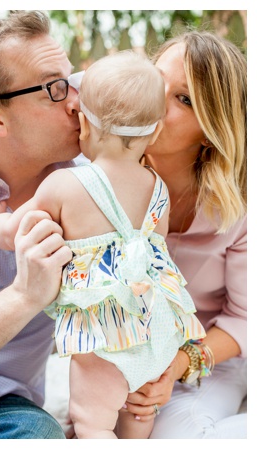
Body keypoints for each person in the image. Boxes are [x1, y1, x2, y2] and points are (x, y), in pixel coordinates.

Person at [0, 51, 207, 439]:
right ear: (156, 132)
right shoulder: (157, 187)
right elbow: (155, 249)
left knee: (90, 420)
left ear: (82, 123)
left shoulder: (66, 185)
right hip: (155, 328)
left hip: (105, 336)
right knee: (139, 413)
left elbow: (13, 233)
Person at [0, 10, 79, 439]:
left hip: (8, 408)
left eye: (72, 79)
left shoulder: (86, 177)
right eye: (54, 87)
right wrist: (26, 294)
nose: (76, 100)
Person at [126, 31, 247, 439]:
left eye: (184, 99)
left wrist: (178, 364)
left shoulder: (240, 208)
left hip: (208, 356)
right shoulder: (104, 172)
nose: (156, 101)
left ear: (212, 129)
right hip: (126, 353)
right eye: (156, 81)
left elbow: (244, 320)